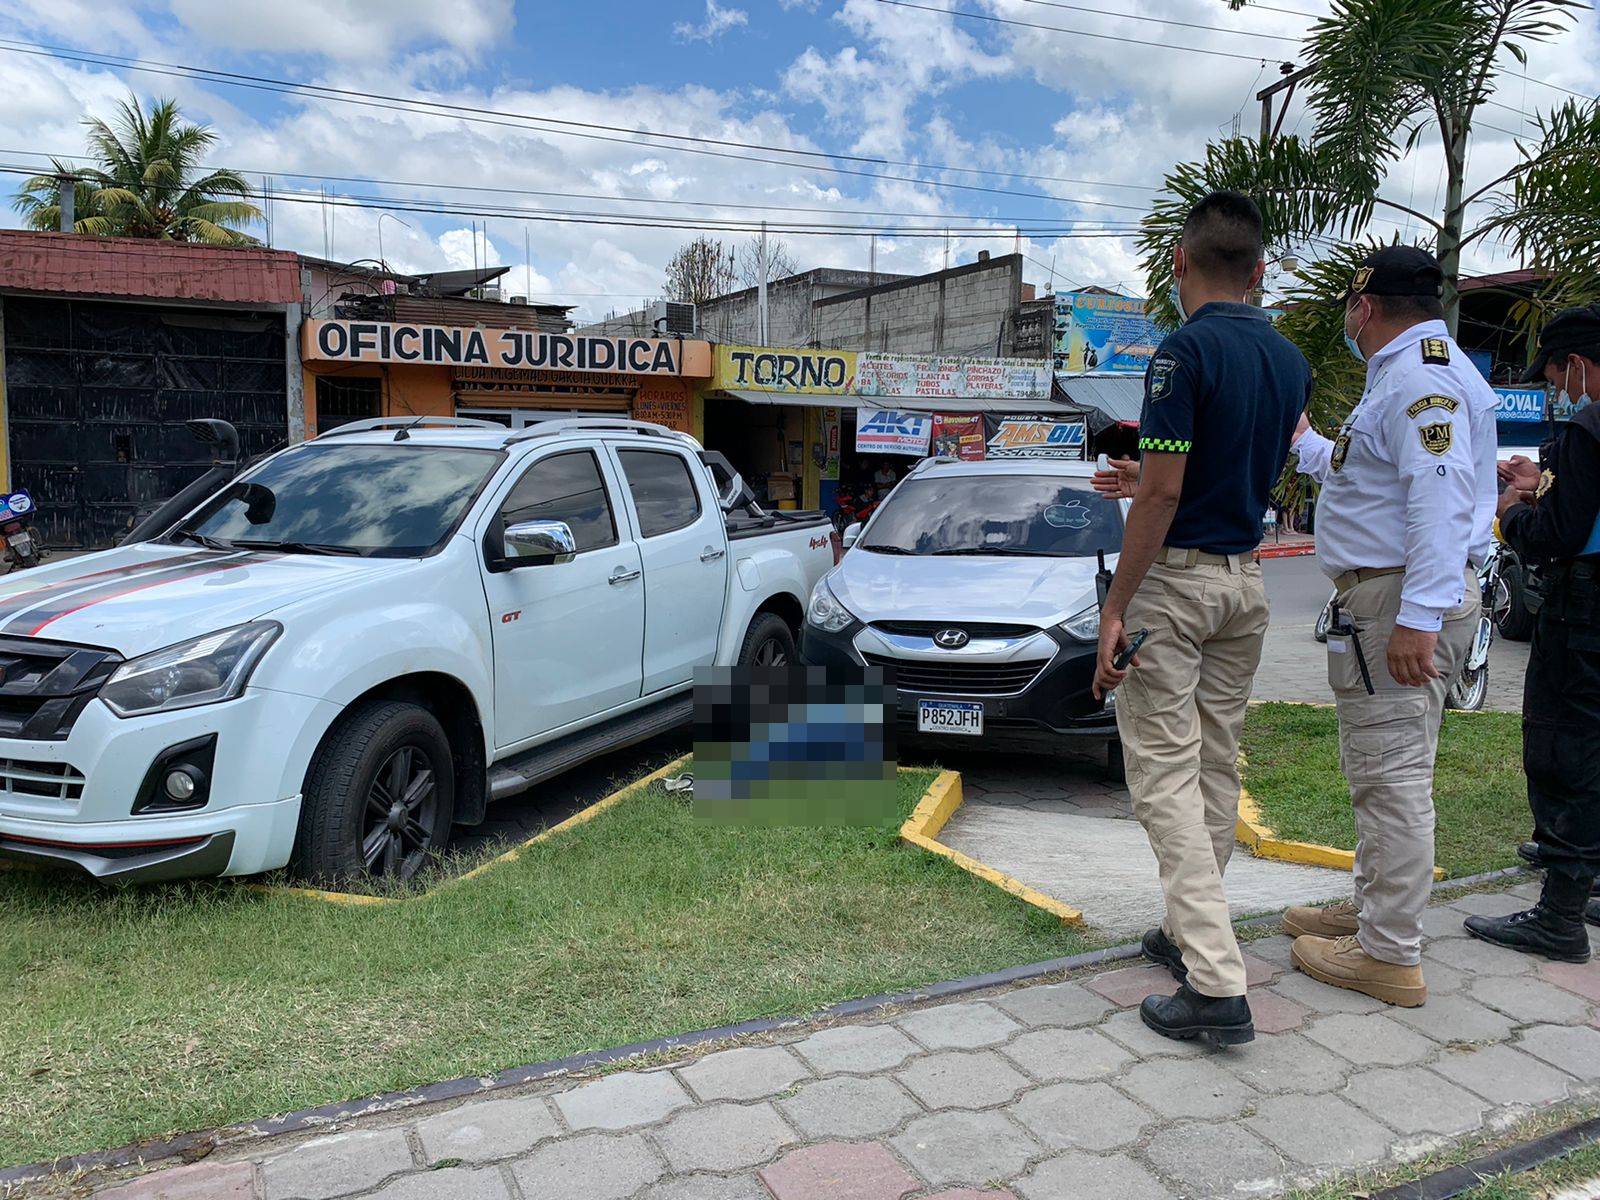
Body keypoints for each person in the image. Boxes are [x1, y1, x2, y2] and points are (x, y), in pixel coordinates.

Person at [1091, 190, 1311, 1045]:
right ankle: (1192, 934)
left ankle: (1216, 984)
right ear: (1259, 270)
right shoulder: (1287, 361)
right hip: (1244, 585)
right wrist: (1142, 484)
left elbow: (1171, 487)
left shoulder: (1179, 358)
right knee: (1215, 765)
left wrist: (1116, 608)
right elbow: (1205, 473)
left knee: (1163, 778)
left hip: (1175, 589)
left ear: (1180, 263)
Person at [1284, 246, 1497, 1006]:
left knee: (1393, 779)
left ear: (1363, 307)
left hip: (1398, 603)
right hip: (1394, 598)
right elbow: (1363, 475)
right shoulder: (1415, 372)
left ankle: (1387, 953)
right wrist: (1306, 440)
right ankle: (1372, 909)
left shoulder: (1418, 378)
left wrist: (1417, 618)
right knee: (1385, 772)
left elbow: (1436, 496)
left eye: (1347, 306)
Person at [1464, 305, 1600, 961]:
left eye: (1553, 376)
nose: (1555, 391)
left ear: (1575, 365)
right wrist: (1541, 486)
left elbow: (1558, 537)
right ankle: (1584, 873)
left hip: (1584, 614)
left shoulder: (1588, 427)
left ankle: (1560, 915)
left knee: (1565, 749)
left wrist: (1513, 511)